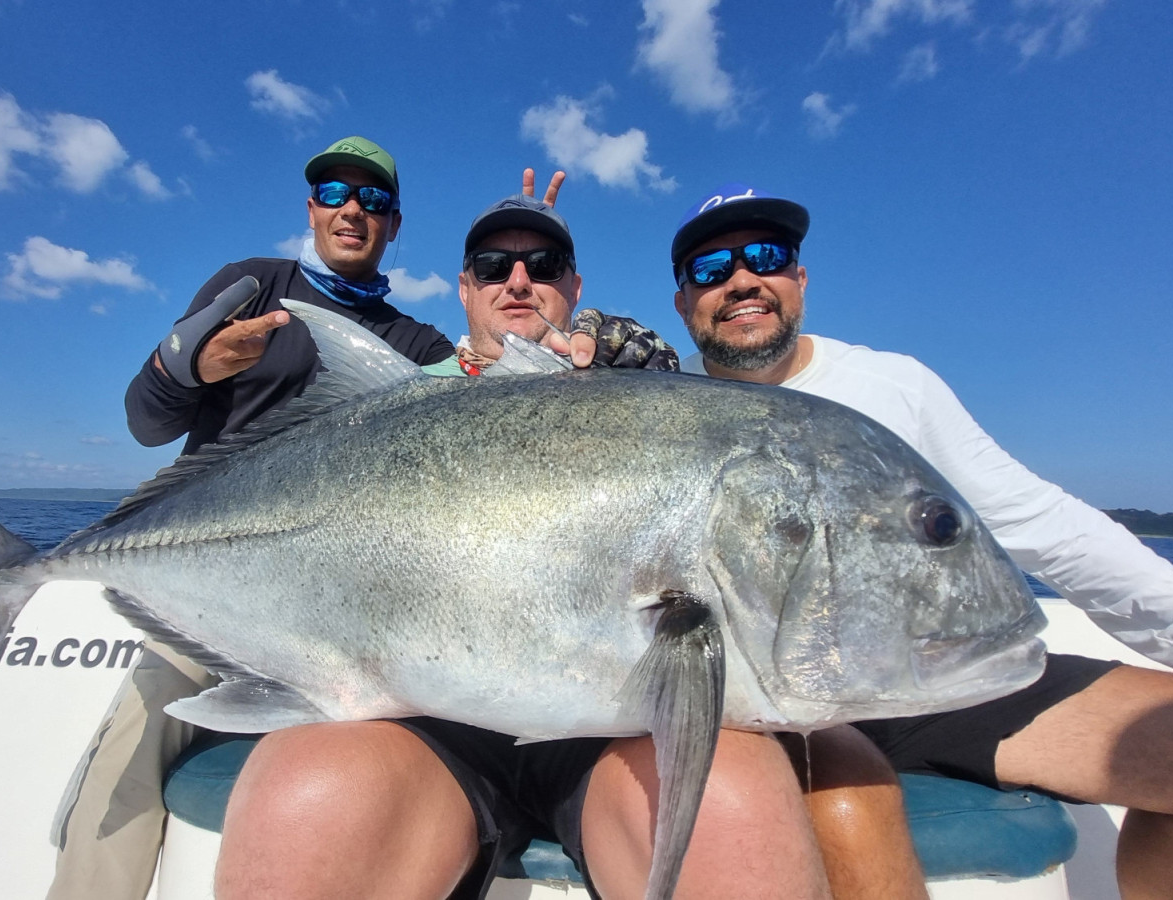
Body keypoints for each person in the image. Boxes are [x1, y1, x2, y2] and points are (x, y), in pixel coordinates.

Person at [47, 140, 692, 900]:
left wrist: (597, 328)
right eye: (493, 267)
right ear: (311, 207)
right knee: (131, 753)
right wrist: (183, 365)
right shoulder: (253, 287)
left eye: (374, 199)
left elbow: (545, 381)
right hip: (215, 566)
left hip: (339, 594)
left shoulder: (414, 348)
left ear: (394, 223)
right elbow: (146, 422)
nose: (352, 209)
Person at [666, 182, 1173, 899]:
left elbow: (1052, 529)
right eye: (710, 269)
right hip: (745, 704)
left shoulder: (895, 386)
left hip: (931, 683)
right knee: (850, 807)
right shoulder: (655, 401)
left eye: (766, 256)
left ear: (799, 277)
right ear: (683, 302)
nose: (741, 280)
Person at [212, 191, 831, 900]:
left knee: (734, 809)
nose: (517, 281)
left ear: (575, 287)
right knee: (304, 798)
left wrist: (632, 369)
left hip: (619, 734)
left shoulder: (637, 389)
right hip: (423, 721)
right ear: (463, 288)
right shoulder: (391, 402)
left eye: (544, 264)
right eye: (491, 266)